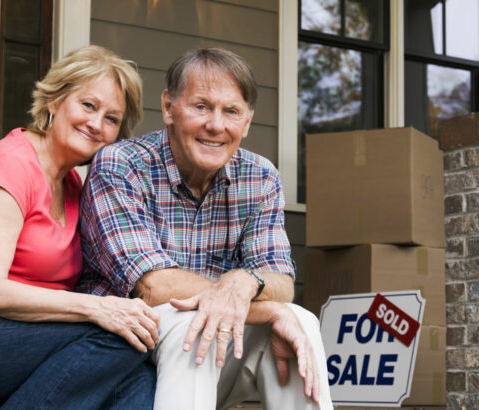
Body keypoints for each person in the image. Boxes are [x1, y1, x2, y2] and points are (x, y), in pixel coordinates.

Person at [80, 47, 334, 410]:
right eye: (201, 106)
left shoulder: (260, 177)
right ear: (169, 107)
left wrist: (246, 281)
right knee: (199, 321)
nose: (216, 125)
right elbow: (154, 287)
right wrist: (271, 309)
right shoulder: (120, 165)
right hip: (122, 355)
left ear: (246, 122)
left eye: (231, 111)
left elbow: (280, 281)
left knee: (302, 323)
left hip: (208, 361)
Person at [0, 45, 158, 410]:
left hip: (25, 339)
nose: (96, 124)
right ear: (55, 100)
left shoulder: (74, 185)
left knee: (136, 374)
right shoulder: (10, 165)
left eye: (111, 118)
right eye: (88, 105)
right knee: (123, 336)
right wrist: (99, 309)